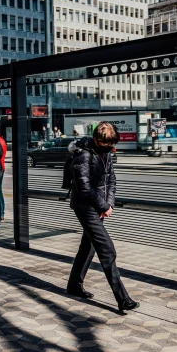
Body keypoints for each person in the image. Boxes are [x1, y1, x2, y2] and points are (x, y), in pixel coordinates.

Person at [67, 121, 139, 312]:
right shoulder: (84, 155)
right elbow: (84, 188)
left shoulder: (105, 153)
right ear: (97, 140)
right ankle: (123, 299)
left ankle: (74, 285)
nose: (111, 149)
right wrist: (103, 205)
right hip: (85, 207)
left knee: (88, 247)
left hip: (97, 206)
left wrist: (109, 204)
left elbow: (111, 180)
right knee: (107, 250)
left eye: (113, 145)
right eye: (108, 145)